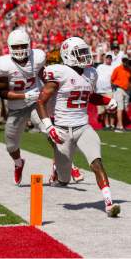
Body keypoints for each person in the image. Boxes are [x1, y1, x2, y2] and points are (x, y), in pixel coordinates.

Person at [37, 36, 120, 217]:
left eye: (85, 51)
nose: (85, 55)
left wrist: (107, 100)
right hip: (62, 129)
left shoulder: (91, 73)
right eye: (79, 53)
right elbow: (41, 102)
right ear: (67, 55)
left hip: (83, 126)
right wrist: (49, 127)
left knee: (96, 161)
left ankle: (109, 204)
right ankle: (57, 172)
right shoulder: (59, 72)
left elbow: (88, 95)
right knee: (64, 179)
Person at [0, 29, 46, 185]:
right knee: (10, 145)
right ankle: (18, 163)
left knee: (50, 132)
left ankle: (65, 166)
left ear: (29, 45)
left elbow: (44, 76)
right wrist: (24, 95)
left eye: (22, 46)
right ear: (10, 47)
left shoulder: (38, 58)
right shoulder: (3, 64)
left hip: (36, 103)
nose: (20, 50)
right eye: (16, 47)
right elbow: (2, 92)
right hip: (17, 107)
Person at [96, 54, 117, 130]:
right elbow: (95, 76)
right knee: (103, 111)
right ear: (105, 59)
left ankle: (112, 125)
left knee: (111, 109)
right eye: (107, 58)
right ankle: (106, 125)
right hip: (99, 91)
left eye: (110, 59)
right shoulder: (99, 67)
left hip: (109, 90)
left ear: (111, 60)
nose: (108, 60)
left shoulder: (113, 67)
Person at [110, 57, 131, 132]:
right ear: (122, 61)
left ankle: (119, 126)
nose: (126, 63)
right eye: (125, 61)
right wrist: (113, 90)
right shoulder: (117, 69)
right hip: (118, 89)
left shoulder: (129, 69)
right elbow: (112, 79)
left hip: (127, 91)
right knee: (120, 108)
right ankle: (120, 127)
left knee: (125, 109)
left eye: (127, 61)